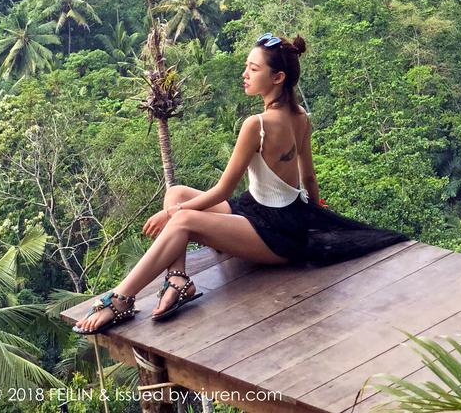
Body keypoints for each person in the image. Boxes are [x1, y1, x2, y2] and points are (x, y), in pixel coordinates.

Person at [73, 32, 407, 333]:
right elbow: (308, 177)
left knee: (182, 218)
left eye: (253, 68)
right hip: (265, 213)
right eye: (247, 66)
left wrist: (170, 215)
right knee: (176, 192)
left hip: (276, 236)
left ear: (277, 77)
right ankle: (178, 280)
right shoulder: (301, 117)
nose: (244, 74)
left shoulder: (257, 125)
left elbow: (222, 190)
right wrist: (316, 215)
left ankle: (121, 299)